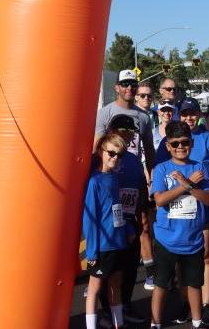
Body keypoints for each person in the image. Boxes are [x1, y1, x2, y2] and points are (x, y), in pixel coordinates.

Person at [149, 121, 209, 329]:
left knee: (194, 284)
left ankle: (196, 322)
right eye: (175, 143)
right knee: (161, 285)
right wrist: (185, 184)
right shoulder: (161, 169)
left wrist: (190, 185)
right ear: (167, 145)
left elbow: (208, 200)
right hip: (166, 239)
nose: (180, 147)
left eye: (184, 142)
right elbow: (159, 200)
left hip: (193, 239)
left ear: (191, 143)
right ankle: (155, 323)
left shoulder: (200, 168)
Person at [104, 115, 150, 322]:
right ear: (111, 131)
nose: (126, 133)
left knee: (130, 268)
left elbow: (140, 188)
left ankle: (126, 307)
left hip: (130, 221)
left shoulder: (132, 160)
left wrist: (141, 217)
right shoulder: (102, 156)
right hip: (109, 223)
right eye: (121, 129)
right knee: (111, 270)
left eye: (129, 130)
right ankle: (107, 312)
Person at [83, 133, 129, 329]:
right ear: (101, 152)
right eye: (111, 153)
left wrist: (125, 230)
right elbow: (90, 219)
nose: (115, 158)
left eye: (119, 155)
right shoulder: (94, 182)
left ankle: (118, 324)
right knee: (94, 288)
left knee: (115, 286)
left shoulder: (114, 177)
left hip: (117, 242)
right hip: (102, 246)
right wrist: (91, 251)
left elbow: (116, 209)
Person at [94, 69, 155, 176]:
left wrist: (152, 179)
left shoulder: (144, 117)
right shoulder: (104, 113)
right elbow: (96, 147)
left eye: (133, 84)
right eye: (125, 84)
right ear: (117, 87)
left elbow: (149, 150)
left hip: (134, 174)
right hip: (110, 174)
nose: (129, 88)